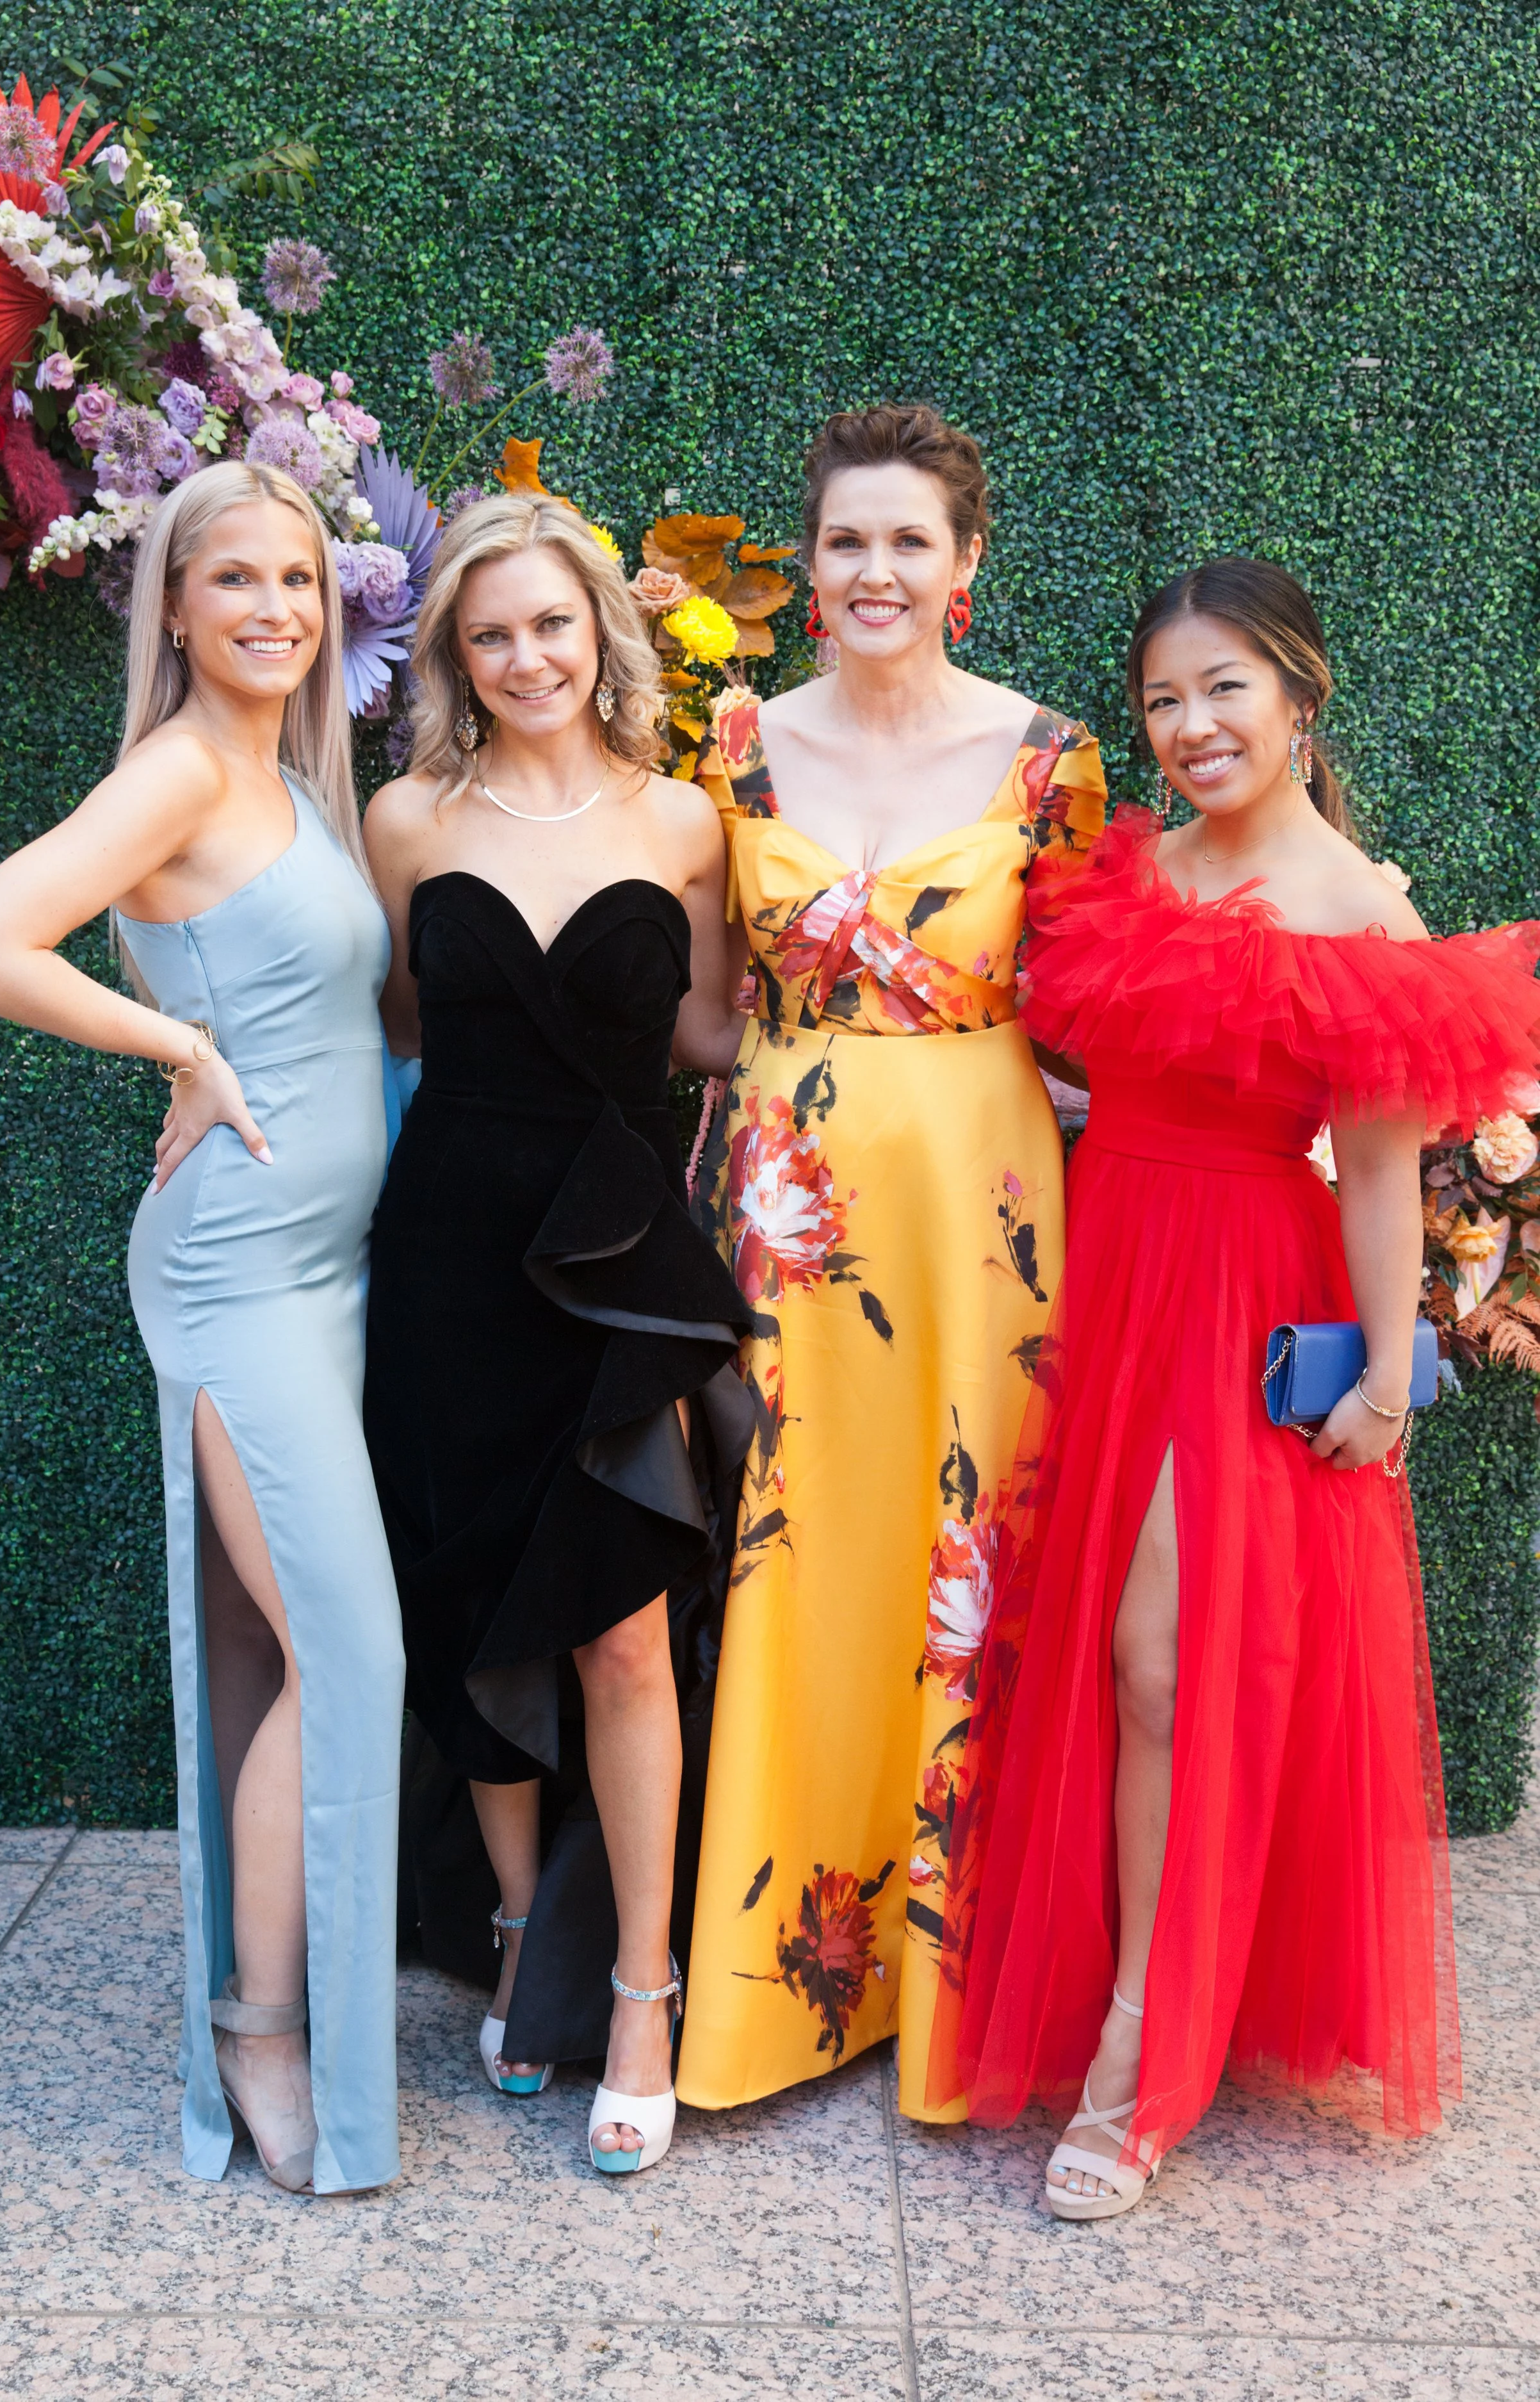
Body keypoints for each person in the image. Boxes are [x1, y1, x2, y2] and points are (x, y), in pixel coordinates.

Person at [931, 556, 1540, 2216]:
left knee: (1160, 1664)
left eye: (1223, 689)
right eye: (1161, 701)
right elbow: (1063, 1067)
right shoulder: (1125, 873)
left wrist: (1386, 1388)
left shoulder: (1361, 913)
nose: (1191, 725)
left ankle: (1143, 2056)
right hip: (1105, 1283)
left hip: (1240, 1297)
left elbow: (1377, 1176)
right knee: (1092, 1659)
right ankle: (1121, 1990)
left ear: (1297, 694)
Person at [0, 462, 406, 2195]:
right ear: (178, 608)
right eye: (236, 581)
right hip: (237, 1276)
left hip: (331, 1271)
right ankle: (261, 2025)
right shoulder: (181, 770)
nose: (276, 607)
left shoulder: (289, 775)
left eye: (299, 577)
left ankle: (287, 2010)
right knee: (342, 1651)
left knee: (292, 1647)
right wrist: (178, 1052)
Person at [676, 403, 1107, 2123]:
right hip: (786, 1210)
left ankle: (955, 1994)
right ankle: (778, 1993)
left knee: (965, 1564)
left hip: (981, 1220)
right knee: (794, 1553)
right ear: (813, 555)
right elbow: (706, 1008)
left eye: (907, 542)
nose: (872, 570)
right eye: (844, 539)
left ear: (965, 566)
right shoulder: (732, 744)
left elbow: (1094, 1012)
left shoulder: (1048, 759)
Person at [362, 493, 750, 2176]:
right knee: (465, 1607)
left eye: (549, 624)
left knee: (618, 1634)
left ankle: (645, 1993)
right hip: (446, 1251)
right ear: (454, 654)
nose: (525, 656)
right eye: (488, 632)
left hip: (615, 1266)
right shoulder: (403, 819)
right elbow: (388, 1021)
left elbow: (722, 1029)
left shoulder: (685, 819)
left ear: (604, 632)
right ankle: (523, 1928)